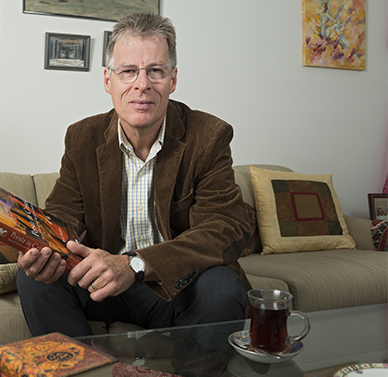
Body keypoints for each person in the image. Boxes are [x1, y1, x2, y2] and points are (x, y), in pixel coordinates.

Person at [17, 13, 252, 337]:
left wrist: (135, 265)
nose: (142, 84)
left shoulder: (208, 136)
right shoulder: (82, 137)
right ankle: (77, 370)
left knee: (222, 286)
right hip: (102, 286)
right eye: (128, 71)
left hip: (173, 286)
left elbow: (227, 228)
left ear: (173, 79)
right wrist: (42, 249)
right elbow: (63, 214)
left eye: (155, 71)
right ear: (107, 80)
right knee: (34, 277)